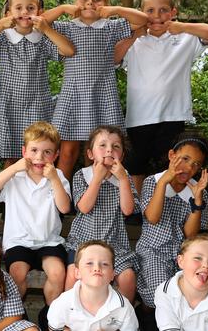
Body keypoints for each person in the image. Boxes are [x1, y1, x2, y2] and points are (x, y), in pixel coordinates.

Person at [114, 0, 208, 195]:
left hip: (173, 114)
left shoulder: (185, 38)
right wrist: (134, 35)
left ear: (173, 12)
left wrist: (182, 27)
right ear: (141, 12)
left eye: (163, 10)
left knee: (170, 164)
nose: (157, 16)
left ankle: (165, 205)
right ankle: (137, 209)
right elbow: (114, 59)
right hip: (139, 116)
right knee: (137, 164)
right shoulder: (135, 42)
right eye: (150, 10)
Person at [41, 0, 147, 182]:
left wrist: (115, 9)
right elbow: (41, 22)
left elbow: (142, 20)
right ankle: (61, 200)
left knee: (98, 152)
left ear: (105, 4)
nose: (90, 3)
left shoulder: (111, 27)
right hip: (73, 94)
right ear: (76, 3)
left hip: (102, 94)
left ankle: (92, 198)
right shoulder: (67, 27)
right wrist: (64, 8)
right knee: (67, 152)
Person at [0, 121, 71, 329]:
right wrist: (14, 167)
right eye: (33, 150)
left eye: (47, 152)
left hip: (48, 240)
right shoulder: (15, 176)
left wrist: (54, 179)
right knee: (17, 272)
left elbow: (64, 208)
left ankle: (50, 316)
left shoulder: (57, 177)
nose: (39, 158)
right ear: (24, 151)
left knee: (58, 272)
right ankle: (17, 315)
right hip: (19, 241)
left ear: (56, 155)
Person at [0, 0, 74, 167]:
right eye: (18, 8)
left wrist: (46, 28)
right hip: (8, 104)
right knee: (11, 158)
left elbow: (68, 51)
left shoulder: (42, 38)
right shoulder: (3, 38)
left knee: (38, 156)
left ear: (40, 13)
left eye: (30, 8)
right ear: (8, 14)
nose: (24, 12)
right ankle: (9, 194)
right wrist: (0, 25)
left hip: (37, 105)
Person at [135, 133, 208, 328]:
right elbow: (152, 217)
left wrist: (197, 202)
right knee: (158, 293)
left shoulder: (197, 191)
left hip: (182, 254)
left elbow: (191, 236)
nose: (189, 167)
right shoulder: (153, 181)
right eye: (185, 159)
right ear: (171, 155)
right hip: (153, 250)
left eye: (196, 164)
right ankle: (145, 316)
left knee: (190, 291)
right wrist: (163, 184)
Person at [66, 126, 139, 302]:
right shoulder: (82, 175)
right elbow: (83, 207)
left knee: (128, 278)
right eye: (103, 145)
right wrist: (97, 179)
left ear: (121, 155)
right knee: (72, 276)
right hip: (82, 244)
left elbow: (128, 210)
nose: (109, 150)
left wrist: (122, 179)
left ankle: (120, 320)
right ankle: (68, 320)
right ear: (91, 154)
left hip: (115, 246)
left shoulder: (124, 177)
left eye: (116, 147)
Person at [47, 240, 139, 331]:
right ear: (77, 272)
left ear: (112, 274)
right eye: (89, 263)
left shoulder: (124, 307)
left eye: (104, 264)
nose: (97, 268)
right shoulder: (62, 303)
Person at [154, 233, 208, 331]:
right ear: (181, 261)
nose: (205, 265)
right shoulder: (165, 292)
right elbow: (169, 328)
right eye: (197, 258)